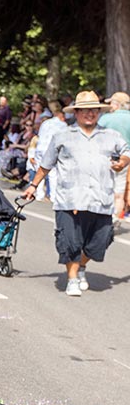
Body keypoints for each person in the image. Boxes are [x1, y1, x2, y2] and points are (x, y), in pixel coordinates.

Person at [22, 91, 130, 296]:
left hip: (101, 199)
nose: (90, 113)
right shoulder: (63, 136)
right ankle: (72, 279)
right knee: (70, 241)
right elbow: (46, 164)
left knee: (101, 241)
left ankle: (81, 265)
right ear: (77, 112)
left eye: (94, 110)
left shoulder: (110, 136)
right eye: (86, 110)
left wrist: (121, 163)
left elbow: (126, 151)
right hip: (69, 199)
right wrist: (33, 185)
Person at [98, 91, 130, 221]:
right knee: (119, 190)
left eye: (111, 103)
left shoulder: (106, 118)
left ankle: (104, 215)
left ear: (116, 105)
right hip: (126, 156)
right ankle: (116, 216)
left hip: (106, 155)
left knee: (103, 185)